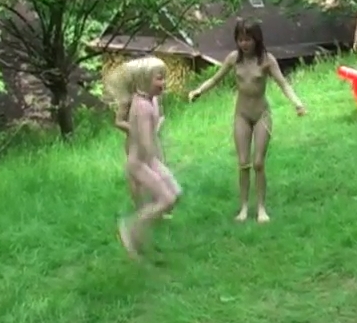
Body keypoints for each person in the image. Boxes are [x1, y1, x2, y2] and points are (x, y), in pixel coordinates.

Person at [188, 19, 306, 224]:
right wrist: (199, 90)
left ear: (256, 39)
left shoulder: (267, 60)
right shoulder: (233, 59)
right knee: (243, 163)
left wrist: (297, 104)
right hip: (241, 115)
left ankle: (261, 208)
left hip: (262, 115)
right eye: (240, 39)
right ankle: (243, 207)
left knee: (258, 163)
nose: (244, 43)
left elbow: (283, 83)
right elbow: (215, 79)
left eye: (248, 39)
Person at [104, 56, 182, 260]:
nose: (163, 83)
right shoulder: (142, 106)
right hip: (139, 163)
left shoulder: (149, 100)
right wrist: (160, 162)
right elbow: (146, 143)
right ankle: (131, 229)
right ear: (145, 80)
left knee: (175, 194)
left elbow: (151, 135)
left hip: (148, 160)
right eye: (159, 78)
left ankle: (140, 229)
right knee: (167, 198)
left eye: (164, 78)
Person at [111, 59, 165, 209]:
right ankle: (140, 207)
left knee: (158, 167)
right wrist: (135, 130)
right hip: (134, 142)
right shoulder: (128, 99)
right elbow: (118, 121)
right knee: (137, 175)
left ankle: (159, 203)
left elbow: (158, 116)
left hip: (152, 139)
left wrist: (157, 125)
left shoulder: (153, 97)